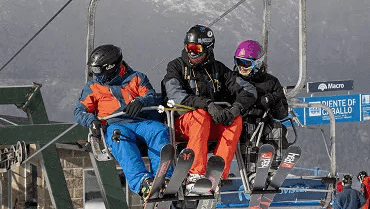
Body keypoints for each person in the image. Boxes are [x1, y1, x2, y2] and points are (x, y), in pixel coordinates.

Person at [161, 25, 257, 186]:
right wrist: (207, 105)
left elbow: (248, 90)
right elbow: (175, 95)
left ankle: (218, 172)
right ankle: (195, 173)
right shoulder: (176, 67)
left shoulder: (217, 69)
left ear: (207, 48)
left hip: (209, 124)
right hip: (183, 124)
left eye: (196, 49)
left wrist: (235, 109)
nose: (191, 53)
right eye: (188, 47)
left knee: (235, 121)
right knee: (201, 115)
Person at [75, 44, 170, 198]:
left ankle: (164, 177)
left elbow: (151, 96)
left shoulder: (136, 78)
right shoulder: (93, 87)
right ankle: (143, 182)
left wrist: (140, 102)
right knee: (119, 136)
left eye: (98, 70)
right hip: (115, 125)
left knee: (158, 130)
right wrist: (91, 121)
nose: (95, 74)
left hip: (140, 123)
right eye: (94, 70)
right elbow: (80, 111)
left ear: (111, 67)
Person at [231, 39, 290, 183]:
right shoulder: (234, 80)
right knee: (248, 133)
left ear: (257, 63)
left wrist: (271, 100)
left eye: (246, 64)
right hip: (246, 121)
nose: (241, 67)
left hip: (265, 121)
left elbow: (282, 112)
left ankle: (273, 169)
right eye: (238, 62)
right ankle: (251, 172)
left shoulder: (271, 82)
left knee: (277, 129)